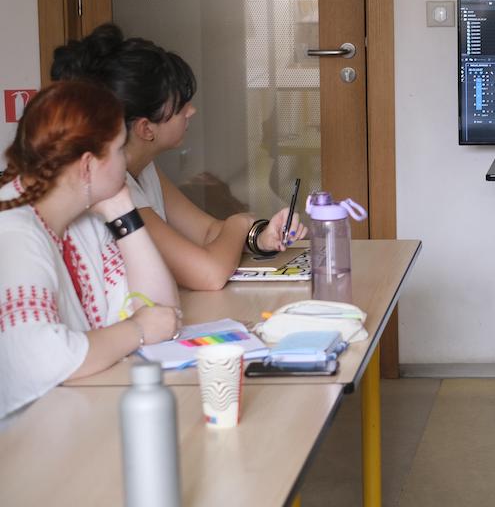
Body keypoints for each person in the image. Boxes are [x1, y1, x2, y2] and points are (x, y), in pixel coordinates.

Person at [51, 24, 307, 291]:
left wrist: (260, 236)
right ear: (146, 129)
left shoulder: (144, 168)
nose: (191, 111)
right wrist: (241, 222)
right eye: (180, 105)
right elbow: (208, 274)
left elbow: (207, 232)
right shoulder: (114, 189)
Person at [0, 80, 182, 418]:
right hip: (22, 435)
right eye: (120, 149)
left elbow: (161, 311)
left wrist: (122, 210)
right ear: (87, 166)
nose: (127, 159)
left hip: (73, 411)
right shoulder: (13, 233)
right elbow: (43, 360)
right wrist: (138, 330)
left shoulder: (82, 215)